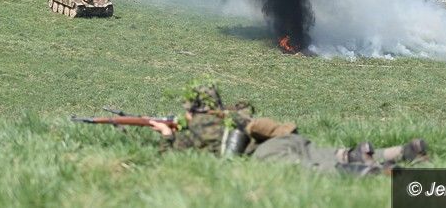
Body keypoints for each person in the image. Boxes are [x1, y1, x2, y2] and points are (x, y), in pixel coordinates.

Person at [148, 83, 428, 175]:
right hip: (289, 139)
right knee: (340, 154)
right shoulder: (234, 115)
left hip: (268, 153)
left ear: (194, 109)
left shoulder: (199, 128)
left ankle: (378, 173)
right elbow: (246, 109)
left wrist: (167, 136)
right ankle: (403, 151)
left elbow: (172, 160)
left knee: (318, 170)